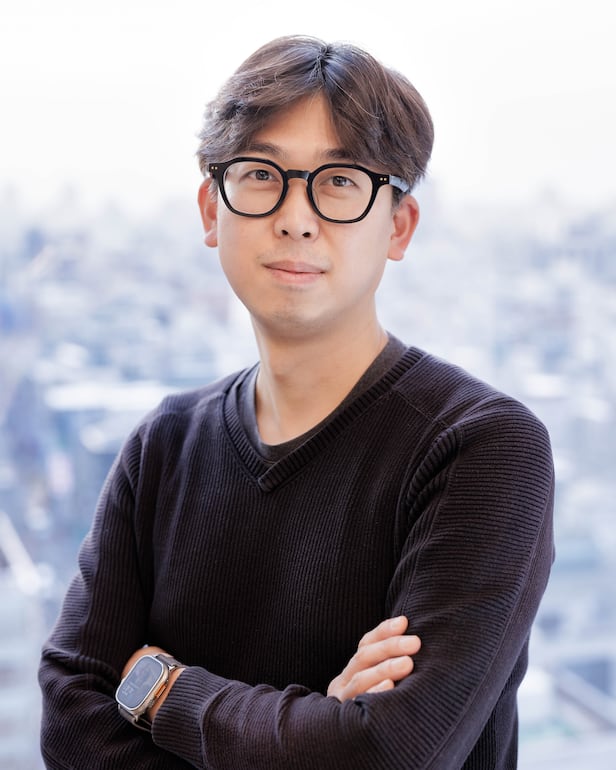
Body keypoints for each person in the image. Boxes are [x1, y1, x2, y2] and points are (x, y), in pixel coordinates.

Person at [38, 35, 555, 769]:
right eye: (260, 174)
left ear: (399, 225)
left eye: (340, 181)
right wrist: (316, 729)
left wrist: (162, 692)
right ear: (211, 209)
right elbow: (68, 723)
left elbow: (386, 753)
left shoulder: (482, 448)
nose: (296, 217)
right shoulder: (164, 445)